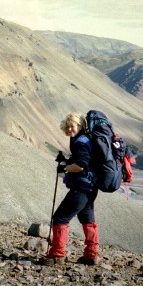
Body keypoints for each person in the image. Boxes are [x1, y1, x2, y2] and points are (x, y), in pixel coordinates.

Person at [42, 113, 100, 266]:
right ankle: (91, 255)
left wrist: (65, 168)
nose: (69, 129)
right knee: (87, 219)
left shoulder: (80, 142)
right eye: (67, 126)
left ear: (80, 125)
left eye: (72, 126)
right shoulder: (86, 139)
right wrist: (67, 161)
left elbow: (81, 165)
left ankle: (57, 254)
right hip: (91, 188)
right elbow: (84, 161)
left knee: (60, 218)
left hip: (81, 188)